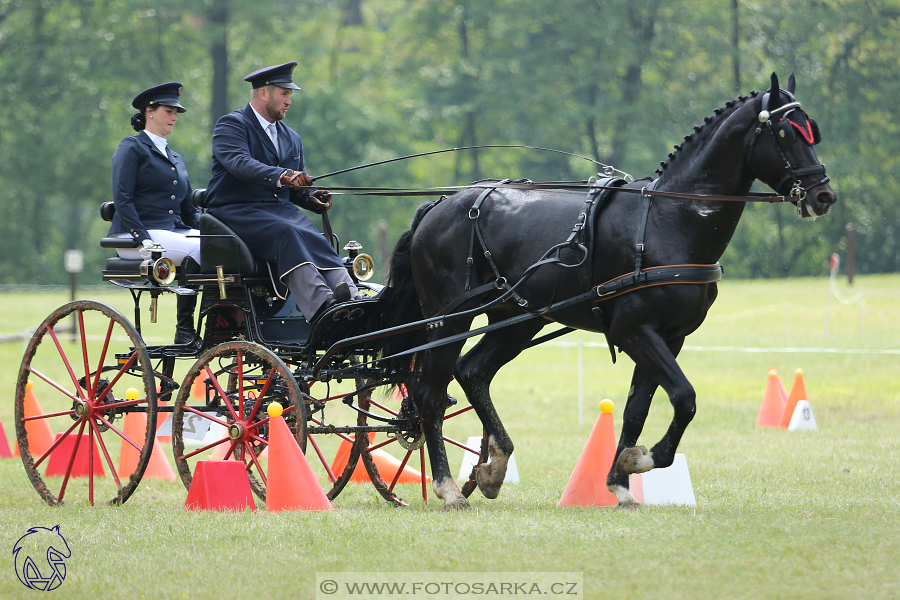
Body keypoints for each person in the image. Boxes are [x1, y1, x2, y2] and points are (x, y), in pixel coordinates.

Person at [205, 61, 360, 321]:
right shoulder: (232, 125)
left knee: (316, 238)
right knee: (289, 232)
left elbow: (296, 191)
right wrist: (284, 175)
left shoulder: (292, 137)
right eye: (284, 94)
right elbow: (239, 163)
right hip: (238, 211)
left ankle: (353, 302)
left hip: (280, 213)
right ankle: (323, 306)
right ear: (264, 93)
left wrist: (313, 198)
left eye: (290, 95)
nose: (289, 101)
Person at [108, 82, 202, 346]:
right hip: (135, 237)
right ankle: (184, 329)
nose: (174, 117)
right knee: (199, 248)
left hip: (170, 233)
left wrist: (217, 230)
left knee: (222, 244)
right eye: (169, 110)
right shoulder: (131, 148)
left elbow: (188, 210)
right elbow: (122, 199)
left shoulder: (175, 158)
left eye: (176, 112)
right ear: (149, 111)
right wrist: (143, 237)